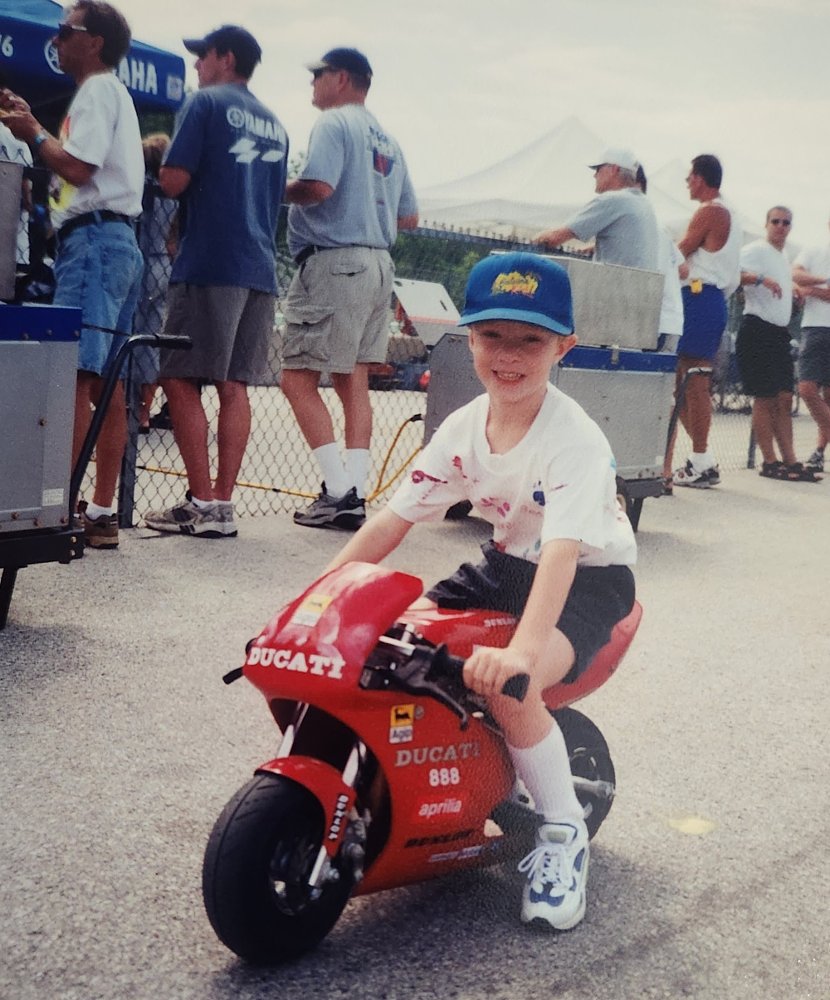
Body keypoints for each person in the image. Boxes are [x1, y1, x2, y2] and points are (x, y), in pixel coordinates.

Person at [322, 252, 636, 931]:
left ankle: (562, 833)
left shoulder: (575, 440)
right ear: (468, 339)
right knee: (394, 643)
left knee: (510, 688)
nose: (509, 355)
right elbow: (392, 521)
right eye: (493, 335)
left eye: (531, 339)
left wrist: (521, 655)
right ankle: (419, 782)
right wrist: (321, 602)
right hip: (504, 566)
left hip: (584, 582)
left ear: (563, 347)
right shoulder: (464, 426)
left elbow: (561, 554)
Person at [0, 1, 144, 549]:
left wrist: (33, 132)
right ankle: (100, 512)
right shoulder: (112, 92)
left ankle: (58, 508)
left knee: (75, 380)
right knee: (108, 384)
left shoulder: (96, 91)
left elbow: (78, 168)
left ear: (94, 42)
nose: (56, 41)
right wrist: (34, 125)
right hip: (117, 240)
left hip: (93, 241)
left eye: (65, 32)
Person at [143, 25, 288, 539]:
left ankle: (201, 502)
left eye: (202, 55)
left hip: (210, 261)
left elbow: (173, 180)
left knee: (179, 377)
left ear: (225, 57)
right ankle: (222, 504)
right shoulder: (276, 124)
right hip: (260, 266)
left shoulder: (203, 103)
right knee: (234, 384)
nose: (197, 65)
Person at [282, 47, 419, 531]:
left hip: (335, 260)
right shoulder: (388, 139)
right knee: (353, 379)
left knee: (296, 378)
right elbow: (409, 217)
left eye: (318, 75)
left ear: (341, 78)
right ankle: (353, 490)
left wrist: (272, 188)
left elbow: (318, 187)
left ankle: (339, 492)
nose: (313, 83)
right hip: (379, 263)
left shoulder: (334, 122)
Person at [668, 154, 741, 489]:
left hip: (700, 297)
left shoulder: (711, 210)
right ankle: (703, 459)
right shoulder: (727, 212)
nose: (687, 183)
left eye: (689, 177)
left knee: (693, 381)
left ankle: (700, 459)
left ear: (699, 177)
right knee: (681, 384)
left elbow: (679, 250)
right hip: (703, 299)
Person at [735, 207, 818, 482]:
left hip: (778, 333)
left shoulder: (782, 256)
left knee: (784, 397)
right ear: (766, 224)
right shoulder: (756, 250)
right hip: (757, 329)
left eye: (786, 223)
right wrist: (761, 279)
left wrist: (794, 291)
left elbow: (783, 283)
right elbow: (733, 273)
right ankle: (770, 462)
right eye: (776, 221)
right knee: (765, 397)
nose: (781, 226)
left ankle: (790, 460)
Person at [534, 147, 659, 270]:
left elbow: (553, 238)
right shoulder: (645, 204)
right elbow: (630, 245)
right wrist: (594, 248)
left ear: (614, 169)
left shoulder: (614, 199)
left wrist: (536, 240)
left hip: (614, 282)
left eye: (598, 169)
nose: (595, 175)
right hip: (641, 282)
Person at [132, 133, 176, 433]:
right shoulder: (174, 192)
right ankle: (144, 411)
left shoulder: (143, 186)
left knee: (131, 333)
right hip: (167, 264)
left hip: (144, 258)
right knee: (152, 341)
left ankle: (127, 402)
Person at [792, 219, 830, 474]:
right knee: (806, 389)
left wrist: (810, 290)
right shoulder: (814, 250)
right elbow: (795, 275)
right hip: (815, 328)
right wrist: (823, 281)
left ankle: (819, 451)